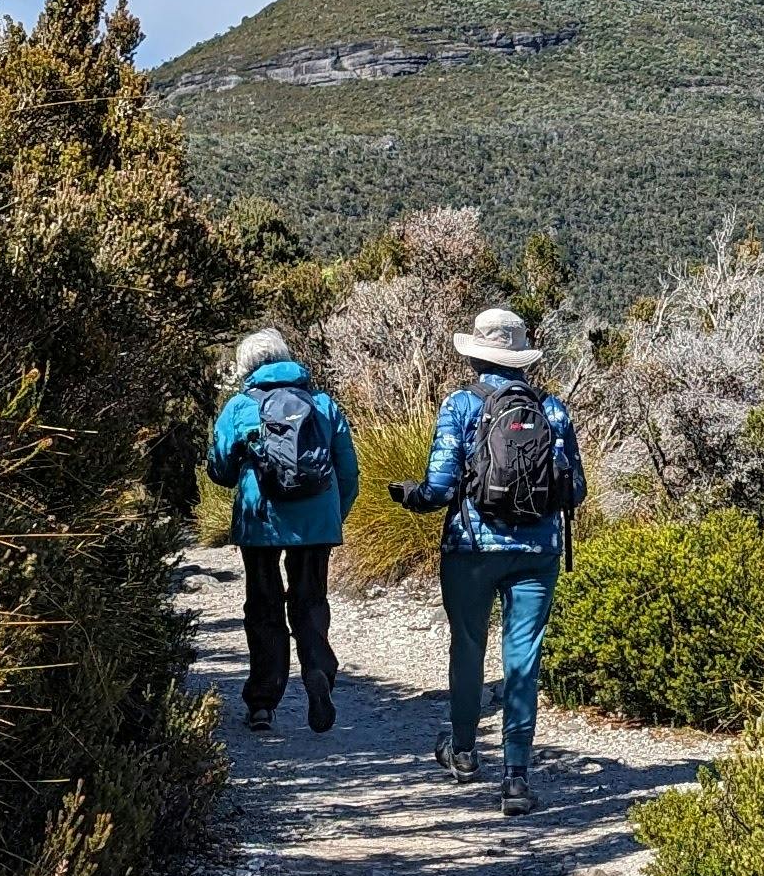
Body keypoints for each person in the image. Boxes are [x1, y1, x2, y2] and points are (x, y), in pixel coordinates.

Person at [391, 306, 586, 816]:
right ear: (522, 358)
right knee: (523, 658)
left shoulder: (460, 405)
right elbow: (576, 491)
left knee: (468, 647)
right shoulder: (554, 410)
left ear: (477, 355)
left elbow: (439, 487)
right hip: (537, 553)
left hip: (471, 549)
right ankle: (516, 777)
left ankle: (462, 753)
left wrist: (411, 495)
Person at [206, 328, 359, 734]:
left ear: (247, 367)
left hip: (261, 523)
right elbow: (348, 471)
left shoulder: (239, 406)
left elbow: (219, 471)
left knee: (263, 607)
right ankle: (318, 672)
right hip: (316, 522)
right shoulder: (324, 405)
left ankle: (262, 701)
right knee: (310, 601)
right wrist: (332, 517)